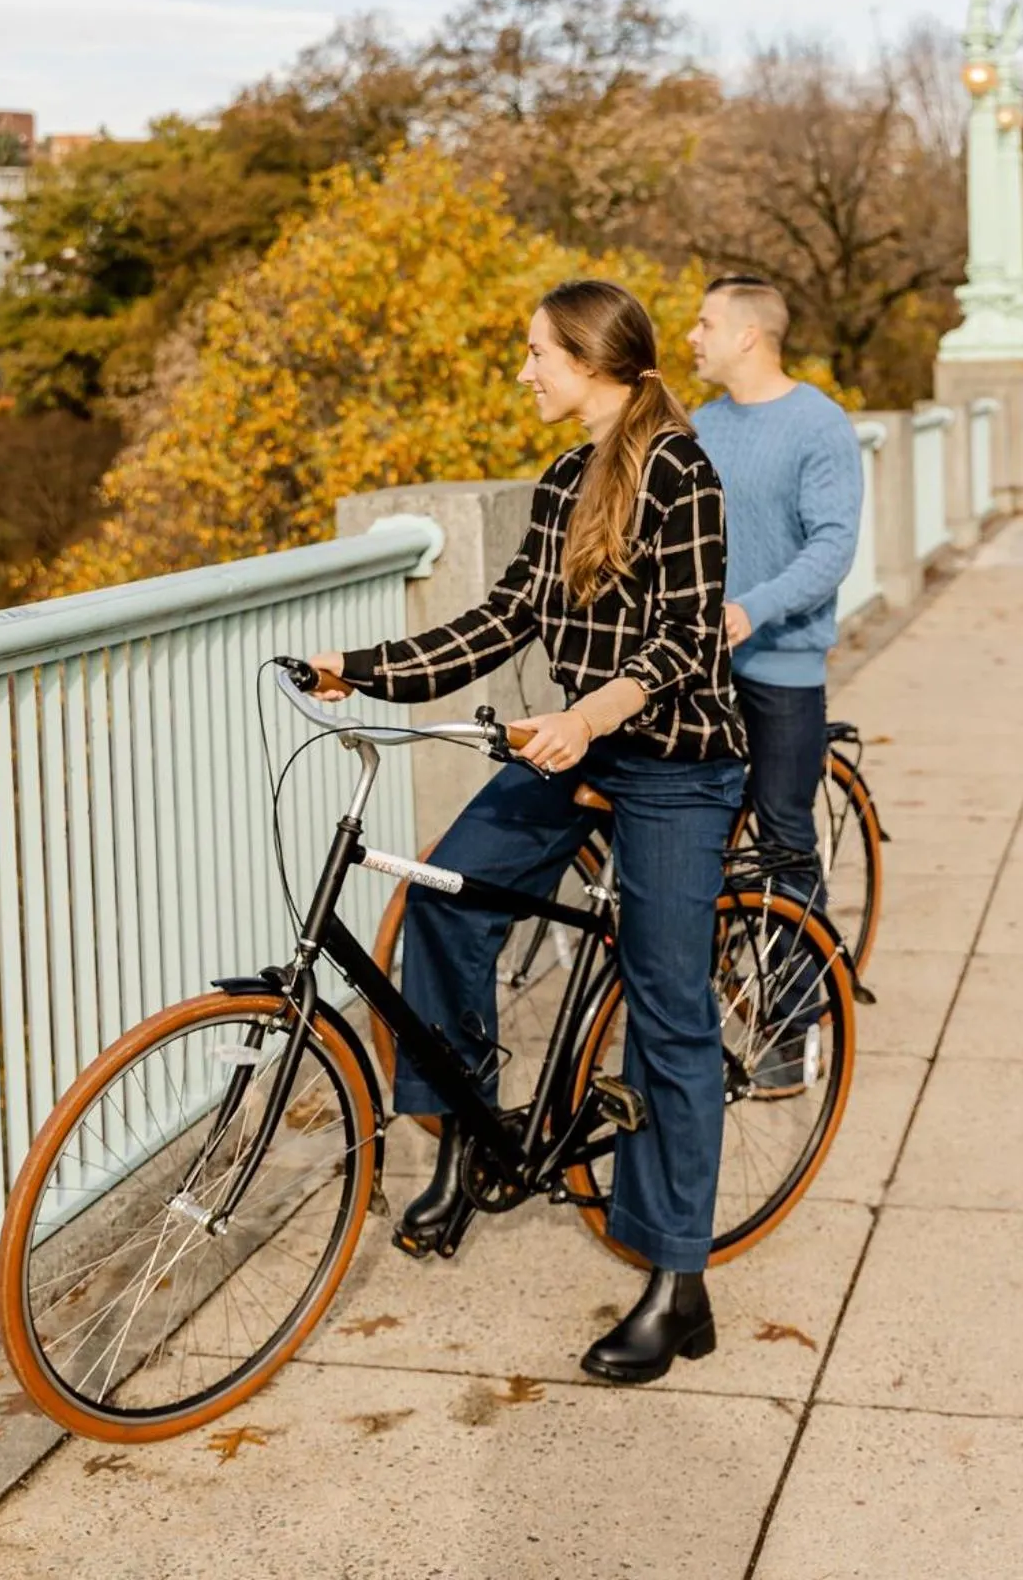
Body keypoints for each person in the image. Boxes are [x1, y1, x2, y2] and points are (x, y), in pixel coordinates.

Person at [311, 279, 744, 1386]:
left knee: (668, 1012)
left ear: (592, 360)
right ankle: (471, 1136)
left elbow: (689, 639)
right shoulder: (562, 479)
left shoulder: (681, 473)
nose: (524, 370)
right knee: (444, 899)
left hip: (674, 761)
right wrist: (359, 668)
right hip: (576, 746)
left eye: (538, 352)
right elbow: (502, 618)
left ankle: (676, 1281)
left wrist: (588, 716)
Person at [687, 274, 864, 920]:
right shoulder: (700, 426)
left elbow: (831, 549)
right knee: (691, 832)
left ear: (747, 335)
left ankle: (804, 982)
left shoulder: (818, 424)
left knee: (784, 838)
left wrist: (751, 608)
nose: (691, 337)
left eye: (704, 324)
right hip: (699, 664)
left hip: (782, 666)